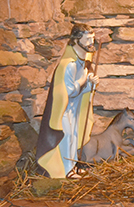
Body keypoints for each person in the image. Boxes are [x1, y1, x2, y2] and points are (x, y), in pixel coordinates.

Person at [35, 24, 99, 179]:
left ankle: (73, 165)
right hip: (63, 110)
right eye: (87, 39)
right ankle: (66, 170)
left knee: (75, 136)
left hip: (74, 108)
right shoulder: (69, 64)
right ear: (76, 40)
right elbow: (71, 91)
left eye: (92, 38)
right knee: (67, 137)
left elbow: (81, 91)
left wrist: (91, 83)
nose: (91, 42)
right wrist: (84, 79)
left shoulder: (82, 61)